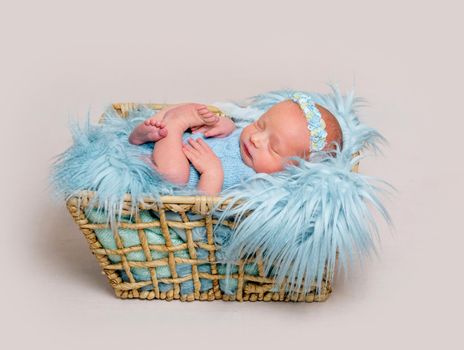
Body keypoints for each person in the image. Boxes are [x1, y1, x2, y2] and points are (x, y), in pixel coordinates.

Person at [128, 93, 343, 195]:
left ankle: (171, 125)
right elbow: (239, 128)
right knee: (196, 112)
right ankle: (143, 135)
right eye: (260, 125)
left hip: (168, 173)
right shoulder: (247, 139)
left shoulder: (257, 183)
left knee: (175, 175)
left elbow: (203, 207)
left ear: (295, 169)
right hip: (171, 146)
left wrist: (212, 173)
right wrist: (225, 125)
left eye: (273, 148)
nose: (256, 139)